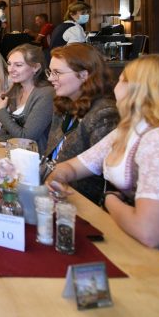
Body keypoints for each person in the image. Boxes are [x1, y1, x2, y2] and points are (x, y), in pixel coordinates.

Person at [46, 54, 159, 253]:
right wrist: (58, 178)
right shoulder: (128, 130)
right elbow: (72, 167)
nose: (115, 87)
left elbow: (149, 232)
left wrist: (109, 199)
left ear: (139, 89)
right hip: (126, 236)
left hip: (156, 257)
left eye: (121, 80)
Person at [43, 44, 119, 203]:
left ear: (84, 75)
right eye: (50, 72)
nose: (50, 78)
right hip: (50, 187)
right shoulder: (63, 103)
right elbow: (51, 154)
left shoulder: (105, 113)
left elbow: (102, 177)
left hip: (78, 200)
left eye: (57, 72)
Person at [0, 44, 55, 153]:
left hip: (33, 157)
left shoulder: (46, 93)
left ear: (36, 67)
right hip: (11, 151)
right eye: (9, 64)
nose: (11, 69)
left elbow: (26, 138)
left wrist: (1, 112)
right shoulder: (17, 89)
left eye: (18, 65)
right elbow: (7, 129)